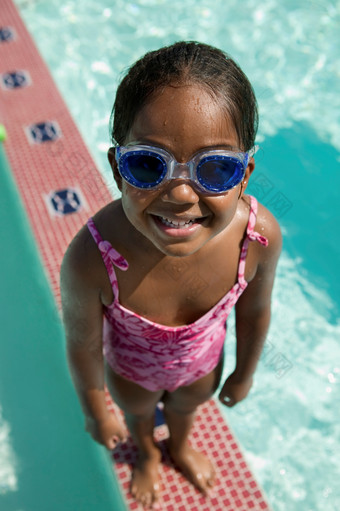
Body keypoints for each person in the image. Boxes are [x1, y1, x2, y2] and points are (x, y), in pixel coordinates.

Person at [60, 41, 282, 509]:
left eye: (216, 169)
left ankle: (179, 446)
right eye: (147, 164)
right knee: (139, 417)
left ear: (245, 175)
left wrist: (244, 373)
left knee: (186, 410)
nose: (180, 194)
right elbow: (81, 343)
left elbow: (256, 310)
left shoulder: (256, 239)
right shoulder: (92, 257)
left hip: (202, 367)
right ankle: (145, 455)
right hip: (131, 375)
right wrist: (95, 410)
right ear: (117, 170)